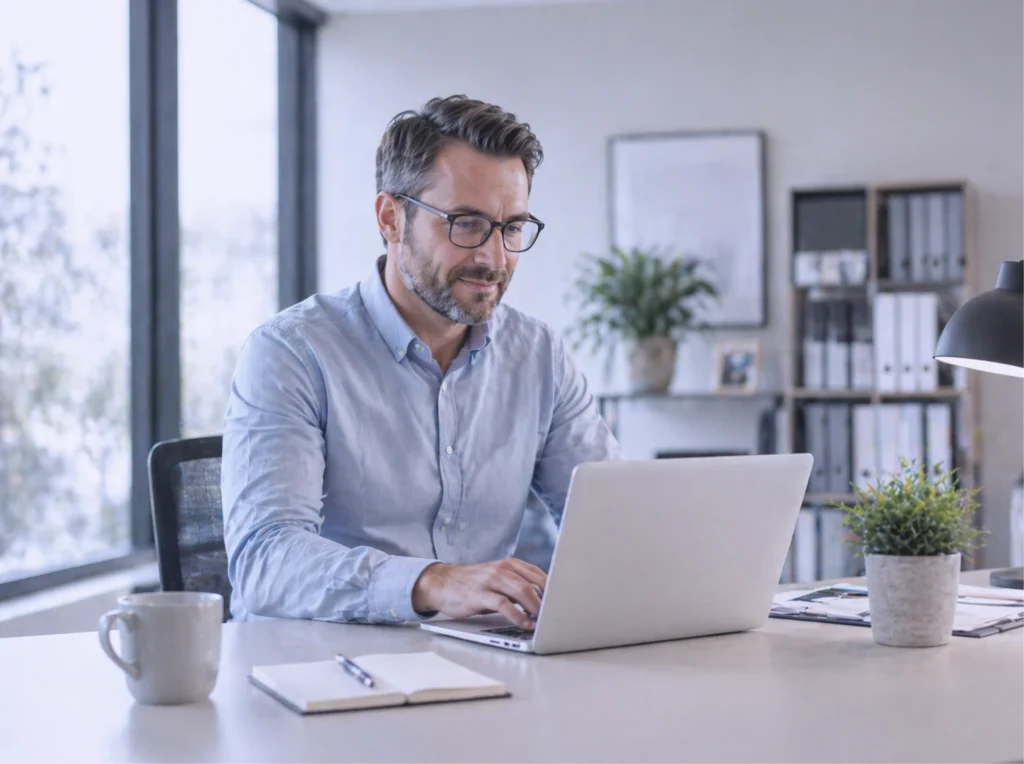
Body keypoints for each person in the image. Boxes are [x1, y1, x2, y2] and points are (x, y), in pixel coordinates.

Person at [221, 95, 620, 631]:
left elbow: (613, 522)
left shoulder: (540, 356)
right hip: (316, 674)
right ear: (391, 218)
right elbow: (264, 560)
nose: (493, 258)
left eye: (511, 229)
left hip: (473, 667)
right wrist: (431, 582)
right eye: (465, 224)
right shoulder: (292, 352)